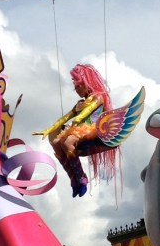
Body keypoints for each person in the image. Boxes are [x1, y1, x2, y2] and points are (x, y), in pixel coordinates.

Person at [33, 63, 114, 197]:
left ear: (86, 83)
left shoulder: (99, 97)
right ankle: (73, 179)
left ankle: (81, 177)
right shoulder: (79, 104)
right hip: (78, 129)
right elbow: (65, 117)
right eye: (75, 87)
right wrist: (48, 130)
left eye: (78, 86)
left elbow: (89, 110)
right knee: (56, 142)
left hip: (93, 129)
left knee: (67, 142)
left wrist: (78, 118)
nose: (76, 89)